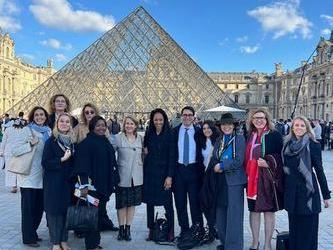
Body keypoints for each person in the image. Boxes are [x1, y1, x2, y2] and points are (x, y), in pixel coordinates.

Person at [283, 116, 331, 250]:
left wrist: (326, 195)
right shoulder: (287, 145)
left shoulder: (313, 145)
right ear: (292, 128)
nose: (299, 128)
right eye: (296, 125)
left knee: (308, 233)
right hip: (292, 194)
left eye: (302, 125)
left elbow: (319, 171)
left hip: (308, 194)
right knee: (294, 231)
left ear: (307, 128)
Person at [74, 116, 119, 250]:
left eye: (103, 125)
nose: (101, 128)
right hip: (92, 188)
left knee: (98, 214)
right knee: (92, 216)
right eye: (98, 125)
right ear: (92, 127)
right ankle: (91, 244)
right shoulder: (87, 143)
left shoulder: (104, 141)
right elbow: (81, 167)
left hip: (102, 186)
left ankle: (94, 242)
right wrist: (84, 186)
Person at [245, 108, 284, 250]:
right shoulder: (249, 135)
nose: (259, 120)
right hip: (251, 180)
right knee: (253, 211)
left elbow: (281, 157)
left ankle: (267, 244)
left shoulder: (275, 135)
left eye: (261, 117)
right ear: (251, 120)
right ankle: (255, 242)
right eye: (255, 118)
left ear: (267, 119)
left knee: (268, 212)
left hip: (268, 180)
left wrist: (269, 162)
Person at [207, 113, 247, 250]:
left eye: (230, 124)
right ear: (220, 126)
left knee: (234, 215)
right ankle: (224, 243)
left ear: (234, 126)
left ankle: (234, 246)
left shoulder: (240, 139)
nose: (227, 126)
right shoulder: (219, 140)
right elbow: (215, 157)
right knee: (220, 212)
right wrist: (213, 167)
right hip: (220, 180)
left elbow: (239, 160)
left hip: (234, 181)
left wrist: (222, 166)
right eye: (224, 124)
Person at [18, 107, 51, 247]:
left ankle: (33, 232)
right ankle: (28, 238)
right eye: (36, 115)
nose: (39, 117)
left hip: (43, 177)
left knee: (39, 208)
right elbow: (15, 150)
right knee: (28, 210)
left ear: (45, 116)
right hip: (29, 177)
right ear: (32, 117)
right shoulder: (27, 130)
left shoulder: (49, 131)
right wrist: (30, 144)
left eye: (42, 114)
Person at [42, 113, 75, 250]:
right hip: (53, 182)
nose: (64, 124)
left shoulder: (72, 142)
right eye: (62, 121)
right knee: (54, 212)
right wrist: (61, 159)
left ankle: (64, 240)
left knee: (66, 211)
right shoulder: (51, 141)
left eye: (67, 122)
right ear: (57, 124)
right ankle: (55, 242)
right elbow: (45, 163)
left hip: (67, 183)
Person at [171, 106, 204, 242]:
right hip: (178, 171)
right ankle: (184, 230)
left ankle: (198, 229)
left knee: (195, 203)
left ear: (194, 117)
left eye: (190, 115)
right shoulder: (174, 131)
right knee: (180, 203)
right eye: (185, 115)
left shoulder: (199, 132)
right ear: (181, 116)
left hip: (194, 171)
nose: (187, 117)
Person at [143, 108, 174, 242]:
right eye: (155, 119)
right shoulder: (148, 134)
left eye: (160, 119)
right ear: (152, 120)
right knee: (150, 203)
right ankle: (151, 229)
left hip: (163, 174)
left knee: (167, 203)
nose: (158, 122)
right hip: (150, 172)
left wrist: (169, 176)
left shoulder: (170, 134)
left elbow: (172, 157)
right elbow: (145, 151)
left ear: (164, 120)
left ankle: (171, 229)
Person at [112, 116, 143, 241]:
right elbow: (110, 154)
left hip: (136, 176)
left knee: (132, 204)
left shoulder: (141, 139)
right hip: (122, 176)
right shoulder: (118, 138)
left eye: (131, 124)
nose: (129, 126)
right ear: (123, 125)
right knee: (121, 205)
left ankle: (128, 229)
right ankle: (121, 229)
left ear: (135, 125)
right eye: (127, 124)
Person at [196, 120, 220, 243]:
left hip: (214, 176)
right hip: (203, 176)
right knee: (204, 202)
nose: (206, 130)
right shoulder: (201, 141)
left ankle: (212, 228)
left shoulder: (218, 141)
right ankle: (211, 227)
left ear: (212, 128)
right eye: (204, 128)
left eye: (208, 128)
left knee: (211, 203)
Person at [0, 117, 30, 193]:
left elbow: (4, 142)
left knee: (10, 170)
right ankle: (20, 184)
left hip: (9, 152)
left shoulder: (8, 130)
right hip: (20, 152)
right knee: (19, 169)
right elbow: (28, 140)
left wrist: (1, 151)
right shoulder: (25, 129)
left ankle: (13, 186)